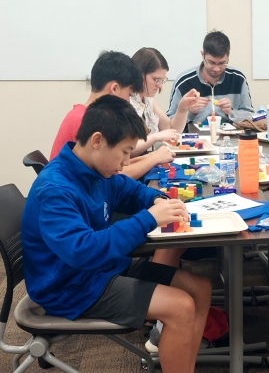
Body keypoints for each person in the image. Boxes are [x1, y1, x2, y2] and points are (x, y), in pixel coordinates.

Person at [22, 95, 211, 373]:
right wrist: (147, 219)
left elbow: (131, 190)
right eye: (124, 151)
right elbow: (82, 250)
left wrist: (156, 200)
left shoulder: (96, 170)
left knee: (199, 288)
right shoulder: (55, 188)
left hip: (98, 270)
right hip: (68, 286)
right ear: (97, 140)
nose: (125, 162)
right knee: (180, 306)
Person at [50, 51, 175, 180]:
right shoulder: (86, 120)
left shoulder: (86, 114)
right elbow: (115, 176)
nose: (129, 102)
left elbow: (116, 167)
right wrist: (153, 158)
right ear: (114, 89)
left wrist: (150, 158)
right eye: (129, 95)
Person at [167, 30, 253, 126]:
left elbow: (250, 116)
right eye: (211, 62)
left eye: (221, 63)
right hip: (194, 138)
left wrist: (231, 112)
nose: (216, 69)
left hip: (231, 138)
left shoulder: (238, 79)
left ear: (228, 55)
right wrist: (190, 112)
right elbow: (169, 122)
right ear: (202, 55)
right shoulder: (184, 82)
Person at [130, 47, 200, 156]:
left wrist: (182, 108)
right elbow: (128, 149)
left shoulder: (148, 99)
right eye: (156, 79)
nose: (160, 85)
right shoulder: (126, 100)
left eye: (162, 80)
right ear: (139, 74)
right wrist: (156, 137)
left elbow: (171, 130)